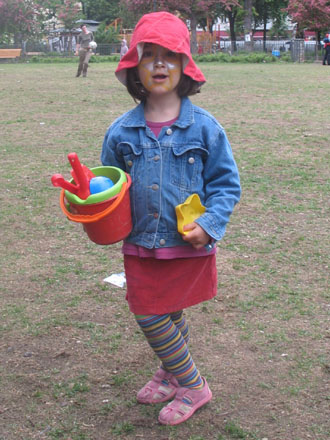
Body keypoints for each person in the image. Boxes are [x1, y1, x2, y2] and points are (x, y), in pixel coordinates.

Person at [101, 11, 241, 426]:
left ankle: (192, 384)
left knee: (155, 311)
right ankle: (170, 370)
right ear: (135, 69)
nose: (159, 64)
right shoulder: (120, 132)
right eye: (149, 55)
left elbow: (226, 186)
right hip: (141, 244)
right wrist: (95, 209)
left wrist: (210, 225)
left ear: (184, 67)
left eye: (170, 55)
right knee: (156, 308)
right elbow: (111, 189)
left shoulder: (205, 129)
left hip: (188, 244)